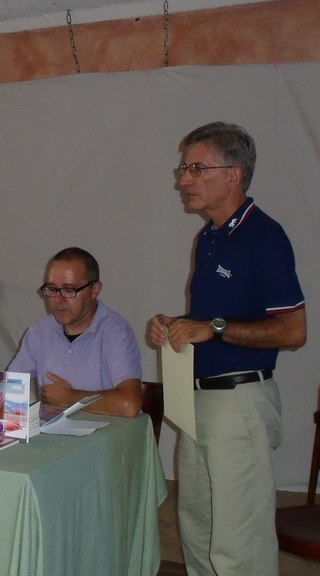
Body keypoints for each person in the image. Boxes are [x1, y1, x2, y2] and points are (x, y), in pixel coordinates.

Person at [148, 122, 306, 576]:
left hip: (239, 405)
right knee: (197, 533)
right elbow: (211, 323)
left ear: (233, 175)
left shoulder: (264, 237)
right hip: (199, 402)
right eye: (184, 168)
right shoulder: (210, 237)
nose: (183, 179)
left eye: (196, 168)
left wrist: (212, 328)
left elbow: (293, 331)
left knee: (239, 547)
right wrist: (175, 327)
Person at [8, 247, 142, 418]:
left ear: (95, 290)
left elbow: (129, 404)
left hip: (105, 440)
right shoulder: (39, 332)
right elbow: (7, 391)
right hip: (56, 439)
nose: (57, 300)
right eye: (52, 289)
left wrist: (69, 398)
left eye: (69, 290)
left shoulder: (115, 332)